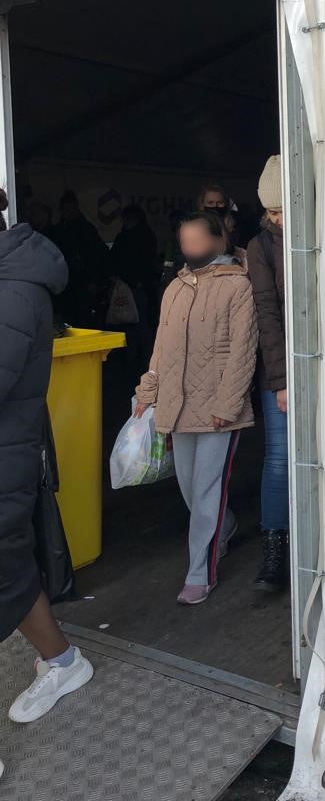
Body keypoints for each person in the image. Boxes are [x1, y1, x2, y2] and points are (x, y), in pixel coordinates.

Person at [0, 188, 94, 741]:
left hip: (6, 460)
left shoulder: (16, 290)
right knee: (10, 570)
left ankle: (63, 664)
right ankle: (62, 663)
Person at [135, 211, 257, 605]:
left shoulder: (238, 286)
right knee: (191, 488)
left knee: (206, 492)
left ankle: (199, 573)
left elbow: (243, 351)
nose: (189, 249)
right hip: (177, 404)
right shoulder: (175, 288)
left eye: (197, 241)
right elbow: (161, 347)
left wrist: (228, 402)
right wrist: (147, 391)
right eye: (184, 241)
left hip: (220, 408)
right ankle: (226, 526)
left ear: (218, 241)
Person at [247, 155, 290, 593]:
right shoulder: (260, 247)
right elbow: (267, 313)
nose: (277, 218)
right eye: (271, 212)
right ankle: (275, 553)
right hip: (280, 371)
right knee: (278, 459)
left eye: (283, 210)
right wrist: (280, 381)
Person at [109, 205, 159, 372]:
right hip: (131, 286)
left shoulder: (137, 237)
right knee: (133, 324)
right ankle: (136, 359)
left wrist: (137, 281)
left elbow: (143, 262)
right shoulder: (139, 236)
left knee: (137, 324)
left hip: (136, 287)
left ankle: (141, 359)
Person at [53, 190, 110, 327]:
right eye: (66, 209)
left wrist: (93, 280)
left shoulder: (86, 229)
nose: (68, 213)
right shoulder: (59, 230)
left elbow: (95, 256)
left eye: (71, 209)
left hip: (83, 284)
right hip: (66, 285)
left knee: (84, 320)